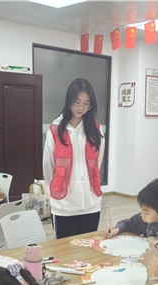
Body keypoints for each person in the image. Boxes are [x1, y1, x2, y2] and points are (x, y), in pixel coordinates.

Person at [42, 78, 105, 239]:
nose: (81, 108)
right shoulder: (55, 130)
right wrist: (54, 189)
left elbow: (97, 164)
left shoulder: (96, 130)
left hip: (90, 203)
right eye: (77, 102)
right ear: (69, 100)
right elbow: (48, 166)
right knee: (64, 250)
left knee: (87, 248)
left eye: (86, 104)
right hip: (64, 205)